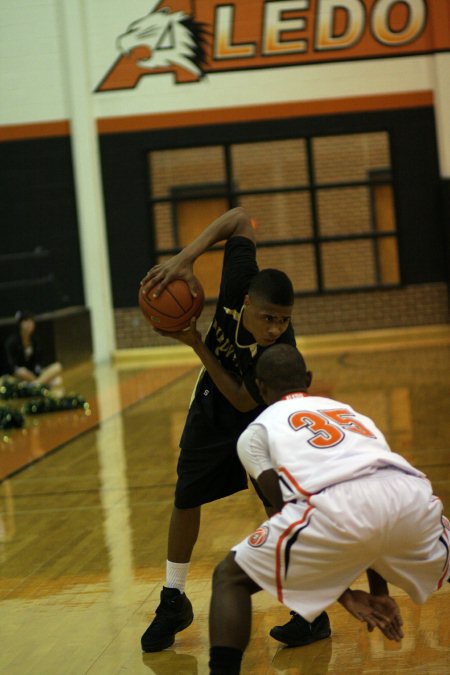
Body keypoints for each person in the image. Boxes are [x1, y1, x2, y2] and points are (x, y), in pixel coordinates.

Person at [139, 207, 330, 652]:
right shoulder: (238, 280)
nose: (275, 328)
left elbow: (244, 400)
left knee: (277, 509)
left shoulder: (279, 353)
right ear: (247, 301)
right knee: (186, 496)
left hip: (262, 415)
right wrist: (186, 259)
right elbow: (241, 218)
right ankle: (173, 599)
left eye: (283, 320)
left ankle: (311, 613)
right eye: (268, 318)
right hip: (213, 406)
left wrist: (198, 344)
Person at [208, 344, 450, 675]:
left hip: (334, 506)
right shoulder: (352, 414)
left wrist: (343, 594)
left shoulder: (255, 432)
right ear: (307, 379)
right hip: (409, 495)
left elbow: (286, 514)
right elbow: (375, 511)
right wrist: (379, 591)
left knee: (229, 578)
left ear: (260, 387)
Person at [3, 310, 63, 388]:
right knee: (20, 373)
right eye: (26, 321)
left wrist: (38, 370)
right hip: (20, 375)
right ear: (20, 324)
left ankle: (35, 385)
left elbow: (39, 361)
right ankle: (42, 383)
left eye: (31, 321)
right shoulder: (11, 342)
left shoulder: (35, 341)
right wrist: (21, 371)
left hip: (33, 374)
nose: (29, 324)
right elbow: (11, 365)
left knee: (57, 366)